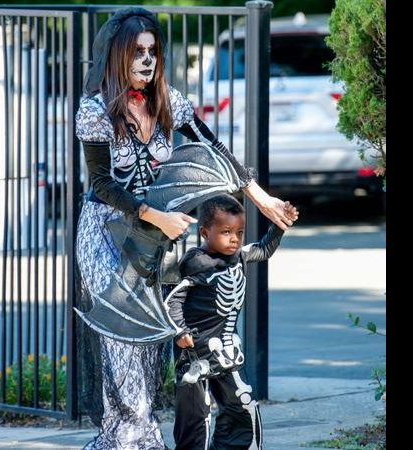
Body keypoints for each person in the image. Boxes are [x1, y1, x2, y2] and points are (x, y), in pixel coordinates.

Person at [74, 7, 298, 449]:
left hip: (151, 239)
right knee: (124, 337)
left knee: (153, 337)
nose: (147, 60)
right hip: (104, 231)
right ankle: (131, 438)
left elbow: (216, 150)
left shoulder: (168, 101)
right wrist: (155, 215)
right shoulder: (95, 109)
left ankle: (131, 436)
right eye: (138, 51)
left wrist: (264, 200)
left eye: (153, 51)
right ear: (119, 55)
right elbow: (100, 181)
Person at [165, 194, 290, 450]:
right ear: (204, 232)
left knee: (242, 404)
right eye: (225, 232)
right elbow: (173, 300)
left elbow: (265, 248)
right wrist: (180, 331)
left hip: (226, 350)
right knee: (196, 415)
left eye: (239, 232)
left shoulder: (239, 256)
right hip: (193, 351)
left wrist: (280, 224)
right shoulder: (197, 263)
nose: (234, 238)